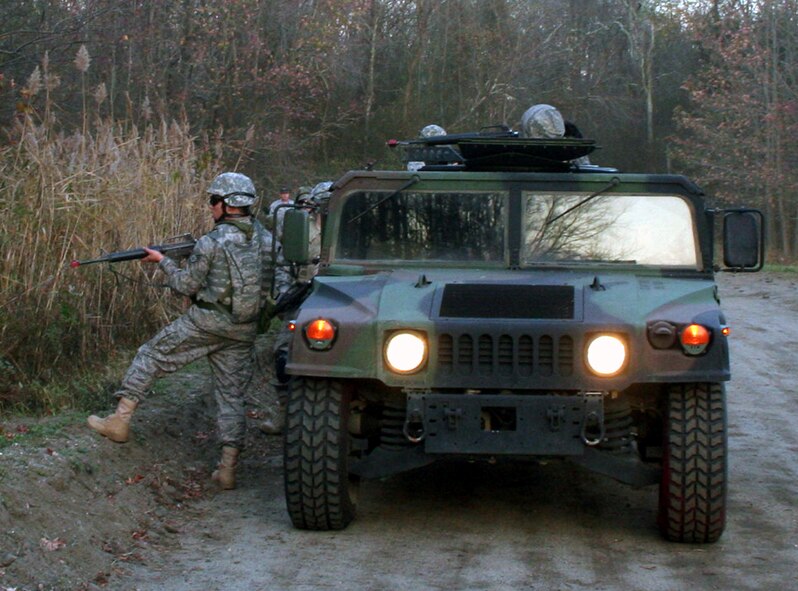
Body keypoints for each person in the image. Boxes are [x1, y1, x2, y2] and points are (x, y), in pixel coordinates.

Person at [87, 172, 287, 490]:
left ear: (225, 204)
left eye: (213, 201)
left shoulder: (211, 242)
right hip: (244, 331)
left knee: (150, 354)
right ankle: (227, 469)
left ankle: (120, 421)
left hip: (206, 323)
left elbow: (185, 284)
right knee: (231, 396)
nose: (210, 208)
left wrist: (163, 262)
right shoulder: (269, 240)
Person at [259, 180, 330, 434]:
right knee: (283, 352)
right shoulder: (301, 230)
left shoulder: (351, 229)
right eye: (320, 205)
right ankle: (285, 411)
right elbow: (284, 264)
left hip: (342, 300)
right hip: (304, 297)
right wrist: (284, 298)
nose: (321, 210)